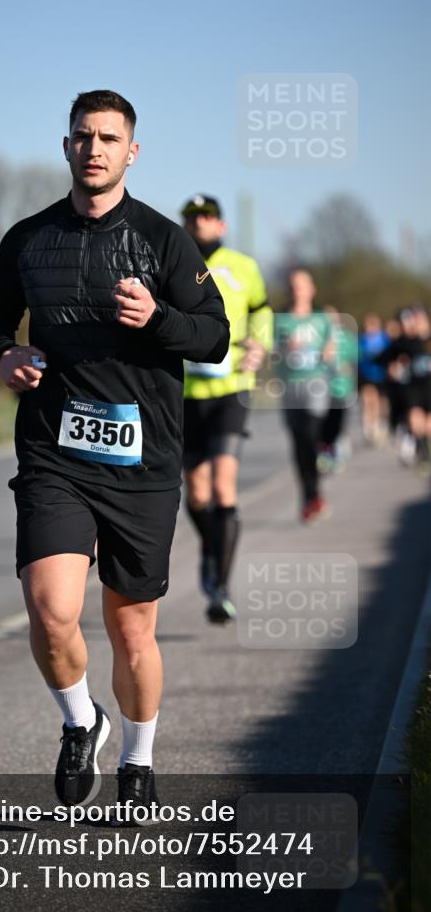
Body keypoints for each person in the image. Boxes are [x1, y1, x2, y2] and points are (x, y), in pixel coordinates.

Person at [0, 90, 229, 815]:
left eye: (109, 139)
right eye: (83, 137)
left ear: (131, 152)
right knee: (50, 607)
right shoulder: (27, 238)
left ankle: (138, 759)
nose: (95, 149)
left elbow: (215, 336)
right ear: (66, 147)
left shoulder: (162, 241)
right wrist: (3, 355)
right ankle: (80, 720)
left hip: (142, 462)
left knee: (130, 628)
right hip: (53, 451)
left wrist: (158, 318)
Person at [180, 195, 272, 623]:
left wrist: (260, 346)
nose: (198, 222)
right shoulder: (173, 261)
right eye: (191, 217)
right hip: (187, 391)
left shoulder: (243, 266)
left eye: (206, 216)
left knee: (223, 487)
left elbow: (261, 310)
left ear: (221, 224)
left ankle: (221, 587)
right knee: (197, 494)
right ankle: (211, 547)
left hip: (233, 388)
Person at [274, 268, 334, 522]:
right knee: (299, 443)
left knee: (310, 435)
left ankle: (314, 491)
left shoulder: (322, 320)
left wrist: (326, 352)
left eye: (302, 285)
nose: (297, 290)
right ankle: (309, 495)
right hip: (291, 386)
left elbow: (332, 349)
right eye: (293, 285)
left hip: (315, 385)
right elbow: (272, 353)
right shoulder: (280, 321)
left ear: (312, 289)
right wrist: (285, 349)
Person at [379, 306, 431, 470]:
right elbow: (385, 361)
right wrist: (392, 368)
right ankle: (423, 454)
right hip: (412, 387)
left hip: (429, 386)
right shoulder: (402, 342)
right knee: (416, 419)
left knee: (428, 425)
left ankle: (421, 446)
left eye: (420, 319)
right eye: (414, 319)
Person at [317, 306, 358, 474]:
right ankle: (324, 453)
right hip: (320, 389)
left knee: (338, 423)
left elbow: (354, 360)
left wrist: (347, 369)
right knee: (320, 423)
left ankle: (337, 451)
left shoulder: (347, 338)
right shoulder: (316, 338)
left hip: (342, 388)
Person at [357, 312, 389, 446]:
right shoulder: (361, 340)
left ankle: (378, 422)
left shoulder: (385, 339)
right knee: (369, 399)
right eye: (368, 325)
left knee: (380, 402)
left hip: (381, 375)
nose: (370, 327)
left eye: (373, 324)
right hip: (366, 375)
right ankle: (368, 425)